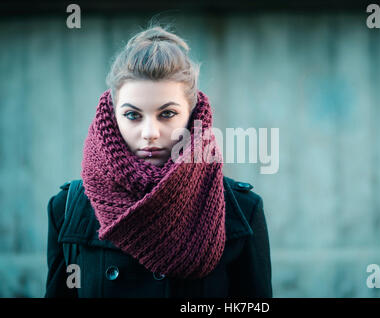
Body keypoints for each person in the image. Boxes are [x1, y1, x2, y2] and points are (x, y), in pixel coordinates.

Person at [45, 24, 272, 298]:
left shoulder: (241, 210)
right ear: (112, 115)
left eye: (167, 114)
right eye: (132, 115)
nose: (150, 133)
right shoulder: (69, 209)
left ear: (192, 116)